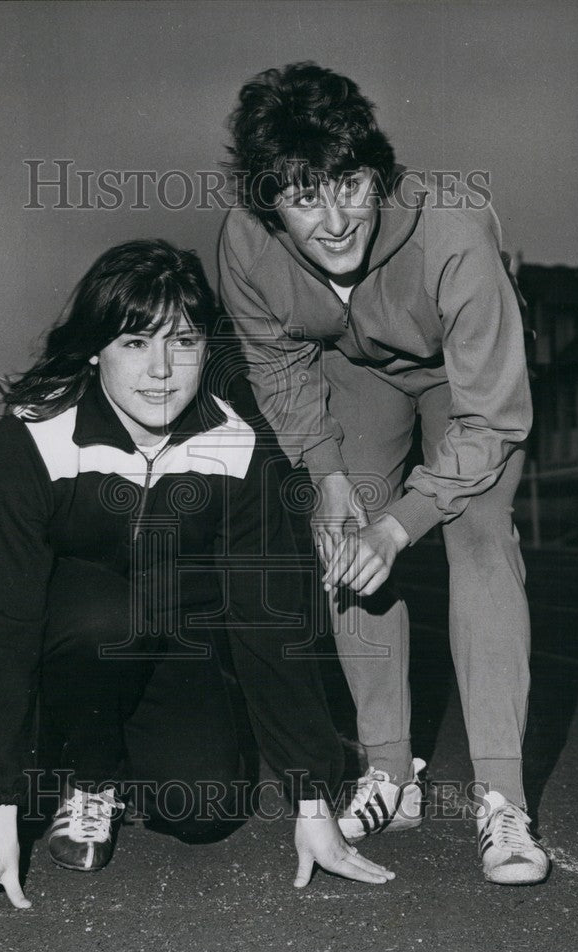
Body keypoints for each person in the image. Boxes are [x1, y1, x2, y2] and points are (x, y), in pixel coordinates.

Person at [0, 239, 395, 917]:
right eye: (135, 343)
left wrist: (314, 802)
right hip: (69, 640)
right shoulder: (35, 435)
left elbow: (268, 620)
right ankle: (85, 775)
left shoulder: (237, 445)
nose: (162, 370)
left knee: (207, 807)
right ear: (94, 350)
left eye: (184, 342)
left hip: (170, 638)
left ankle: (122, 759)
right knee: (107, 616)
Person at [219, 62, 549, 885]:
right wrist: (328, 474)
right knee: (345, 531)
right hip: (357, 374)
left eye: (350, 186)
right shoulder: (246, 245)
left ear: (378, 172)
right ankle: (389, 771)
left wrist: (403, 524)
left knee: (477, 532)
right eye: (303, 199)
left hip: (463, 387)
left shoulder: (452, 230)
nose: (334, 222)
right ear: (268, 206)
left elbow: (493, 419)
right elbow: (278, 363)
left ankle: (503, 799)